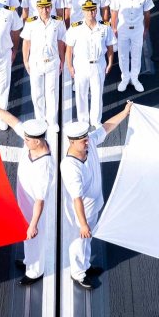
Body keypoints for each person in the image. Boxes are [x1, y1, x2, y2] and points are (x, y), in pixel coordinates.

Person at [61, 104, 132, 289]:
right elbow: (77, 199)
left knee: (87, 239)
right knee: (79, 240)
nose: (87, 142)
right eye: (83, 140)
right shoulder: (70, 167)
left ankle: (85, 265)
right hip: (81, 211)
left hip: (94, 204)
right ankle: (78, 273)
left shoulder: (89, 142)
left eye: (86, 138)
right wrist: (83, 224)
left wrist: (124, 113)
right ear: (71, 141)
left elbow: (106, 127)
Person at [0, 101, 54, 283]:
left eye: (27, 139)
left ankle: (35, 271)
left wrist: (34, 224)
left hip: (33, 207)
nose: (24, 140)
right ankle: (29, 260)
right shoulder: (33, 142)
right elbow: (14, 121)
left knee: (33, 238)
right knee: (27, 237)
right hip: (24, 200)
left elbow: (40, 200)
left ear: (37, 141)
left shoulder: (45, 166)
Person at [64, 0, 114, 126]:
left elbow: (110, 47)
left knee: (97, 93)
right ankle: (83, 120)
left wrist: (110, 63)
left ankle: (96, 120)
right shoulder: (75, 28)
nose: (90, 12)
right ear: (83, 11)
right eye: (87, 10)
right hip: (81, 65)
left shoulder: (105, 27)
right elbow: (69, 49)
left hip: (98, 63)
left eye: (92, 10)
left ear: (96, 11)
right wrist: (69, 66)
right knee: (81, 94)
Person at [21, 0, 66, 127]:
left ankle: (52, 121)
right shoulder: (31, 22)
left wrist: (62, 60)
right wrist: (25, 60)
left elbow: (61, 42)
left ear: (51, 8)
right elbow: (26, 42)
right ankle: (40, 119)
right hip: (36, 62)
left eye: (47, 7)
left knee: (51, 93)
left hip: (52, 61)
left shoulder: (58, 22)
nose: (45, 10)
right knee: (37, 92)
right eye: (42, 8)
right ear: (37, 8)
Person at [109, 0, 153, 93]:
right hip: (123, 29)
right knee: (123, 55)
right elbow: (114, 12)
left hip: (138, 29)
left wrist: (146, 29)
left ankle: (135, 78)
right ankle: (125, 77)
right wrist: (113, 28)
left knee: (136, 54)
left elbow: (147, 13)